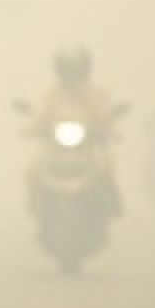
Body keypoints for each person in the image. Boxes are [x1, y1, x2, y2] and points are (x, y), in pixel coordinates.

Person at [26, 45, 122, 215]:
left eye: (74, 70)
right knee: (32, 167)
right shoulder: (50, 93)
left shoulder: (96, 93)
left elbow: (105, 117)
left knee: (106, 166)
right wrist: (35, 127)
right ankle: (35, 205)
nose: (71, 75)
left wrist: (106, 127)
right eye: (67, 70)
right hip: (56, 145)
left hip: (88, 145)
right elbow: (40, 116)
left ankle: (111, 201)